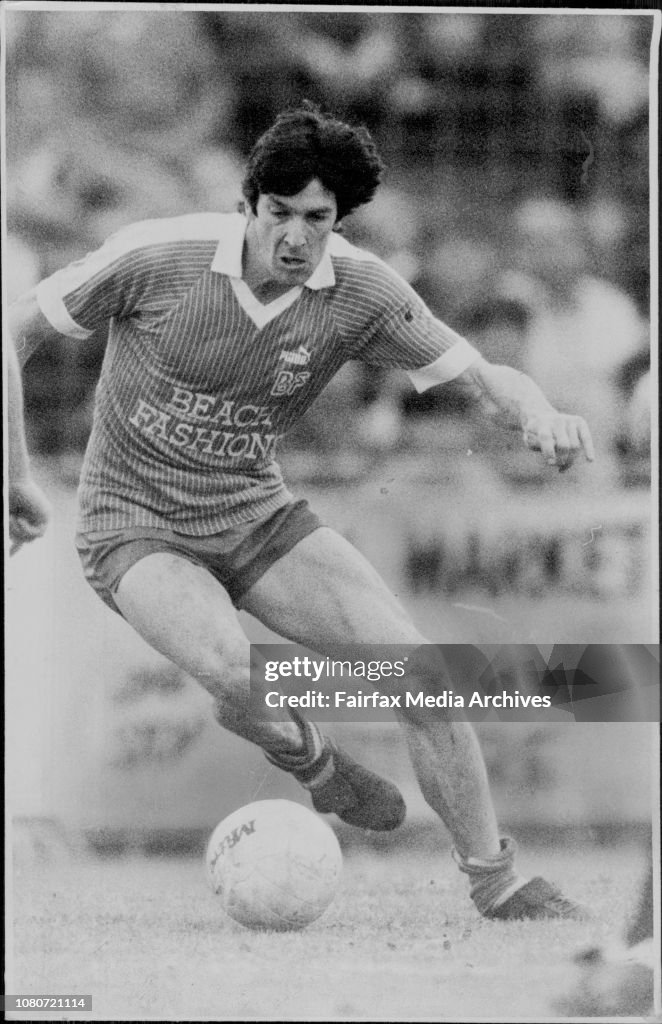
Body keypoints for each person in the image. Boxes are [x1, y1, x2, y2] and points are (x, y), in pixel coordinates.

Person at [8, 104, 595, 921]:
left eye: (316, 219)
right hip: (131, 522)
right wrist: (14, 474)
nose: (293, 235)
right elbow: (15, 332)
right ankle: (316, 761)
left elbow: (487, 379)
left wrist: (539, 416)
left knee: (425, 676)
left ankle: (499, 884)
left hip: (257, 513)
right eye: (278, 212)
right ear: (249, 203)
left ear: (338, 220)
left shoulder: (361, 291)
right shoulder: (159, 257)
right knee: (227, 665)